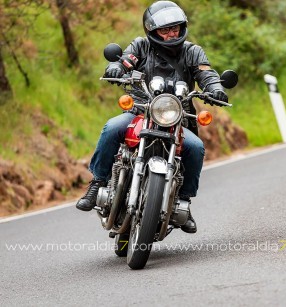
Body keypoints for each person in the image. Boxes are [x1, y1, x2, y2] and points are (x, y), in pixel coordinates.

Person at [75, 0, 228, 234]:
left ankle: (184, 201)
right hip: (140, 111)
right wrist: (117, 68)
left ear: (182, 27)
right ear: (152, 31)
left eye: (175, 28)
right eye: (164, 30)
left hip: (177, 119)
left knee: (195, 147)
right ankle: (97, 184)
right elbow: (126, 60)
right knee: (112, 127)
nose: (171, 34)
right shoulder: (141, 46)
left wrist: (216, 87)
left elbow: (206, 73)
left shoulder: (192, 51)